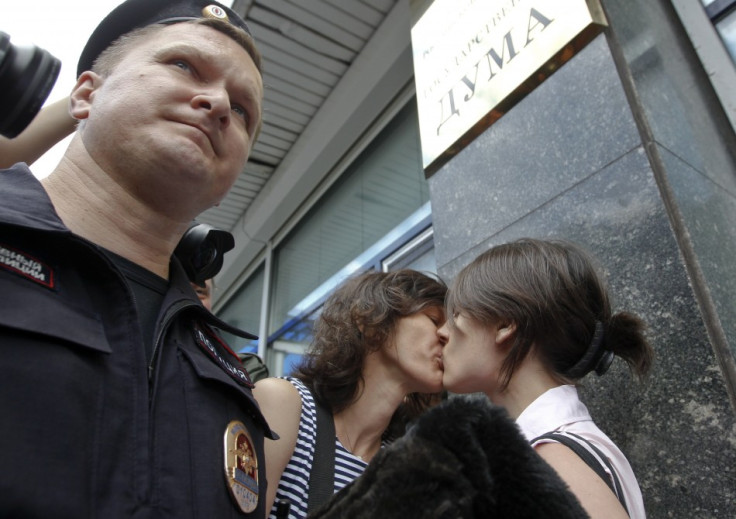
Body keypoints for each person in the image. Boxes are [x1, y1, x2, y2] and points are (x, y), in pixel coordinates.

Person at [0, 1, 275, 517]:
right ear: (85, 94)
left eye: (242, 110)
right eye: (183, 66)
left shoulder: (230, 371)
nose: (218, 104)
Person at [438, 238, 654, 519]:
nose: (442, 332)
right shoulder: (549, 452)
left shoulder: (552, 460)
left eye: (455, 314)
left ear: (505, 324)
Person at [253, 269, 447, 519]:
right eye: (433, 319)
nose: (446, 335)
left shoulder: (405, 469)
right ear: (369, 321)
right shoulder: (284, 404)